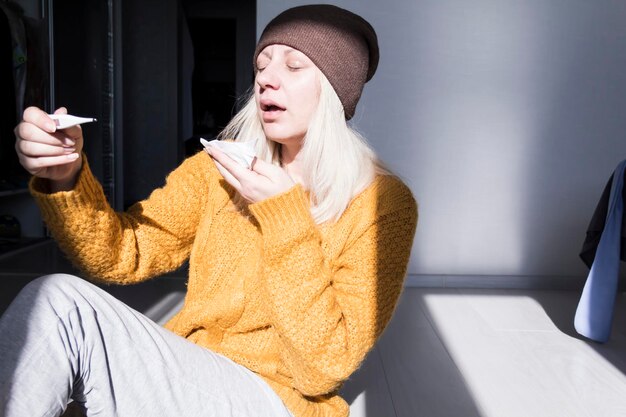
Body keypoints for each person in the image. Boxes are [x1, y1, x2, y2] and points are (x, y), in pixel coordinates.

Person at [1, 4, 417, 417]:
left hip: (275, 399)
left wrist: (284, 216)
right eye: (261, 65)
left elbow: (324, 367)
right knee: (52, 306)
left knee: (59, 306)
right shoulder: (219, 168)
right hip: (191, 369)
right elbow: (122, 254)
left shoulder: (381, 202)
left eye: (293, 67)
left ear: (333, 89)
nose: (266, 80)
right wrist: (66, 177)